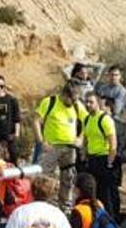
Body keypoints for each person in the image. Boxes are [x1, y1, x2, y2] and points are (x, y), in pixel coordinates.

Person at [33, 81, 88, 209]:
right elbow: (36, 120)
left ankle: (65, 207)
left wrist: (81, 137)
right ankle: (44, 204)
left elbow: (87, 121)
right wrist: (41, 141)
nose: (73, 103)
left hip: (69, 148)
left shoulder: (77, 105)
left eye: (76, 100)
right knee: (45, 177)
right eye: (71, 100)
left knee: (68, 177)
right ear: (64, 95)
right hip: (51, 146)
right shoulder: (50, 102)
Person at [82, 92, 118, 214]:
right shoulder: (86, 120)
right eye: (86, 102)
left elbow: (113, 143)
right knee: (92, 192)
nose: (88, 104)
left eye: (91, 102)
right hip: (92, 159)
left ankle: (111, 220)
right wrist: (84, 156)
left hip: (104, 158)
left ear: (98, 103)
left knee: (106, 193)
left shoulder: (105, 119)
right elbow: (86, 140)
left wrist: (110, 162)